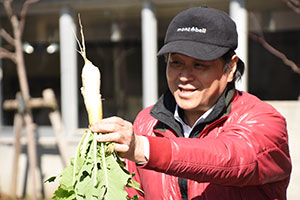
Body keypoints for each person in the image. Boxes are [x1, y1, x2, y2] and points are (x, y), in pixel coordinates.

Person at [90, 6, 292, 200]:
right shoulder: (146, 122)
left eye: (199, 65)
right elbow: (132, 194)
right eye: (176, 62)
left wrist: (144, 147)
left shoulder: (264, 120)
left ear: (230, 68)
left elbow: (232, 158)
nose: (184, 76)